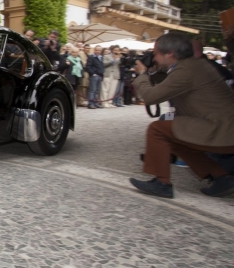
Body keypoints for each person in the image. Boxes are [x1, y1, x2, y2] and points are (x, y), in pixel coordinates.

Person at [129, 33, 234, 199]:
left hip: (221, 128)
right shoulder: (194, 65)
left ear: (170, 54)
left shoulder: (187, 71)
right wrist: (152, 72)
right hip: (224, 126)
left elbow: (151, 96)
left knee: (157, 129)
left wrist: (142, 75)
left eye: (155, 54)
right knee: (175, 137)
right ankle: (221, 177)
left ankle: (162, 182)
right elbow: (169, 82)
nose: (154, 57)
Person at [85, 45, 104, 109]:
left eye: (99, 50)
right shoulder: (91, 57)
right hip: (94, 76)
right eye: (97, 50)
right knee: (92, 90)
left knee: (97, 90)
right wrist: (93, 73)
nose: (98, 51)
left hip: (100, 75)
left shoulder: (101, 57)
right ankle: (91, 103)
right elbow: (88, 66)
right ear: (94, 50)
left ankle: (95, 102)